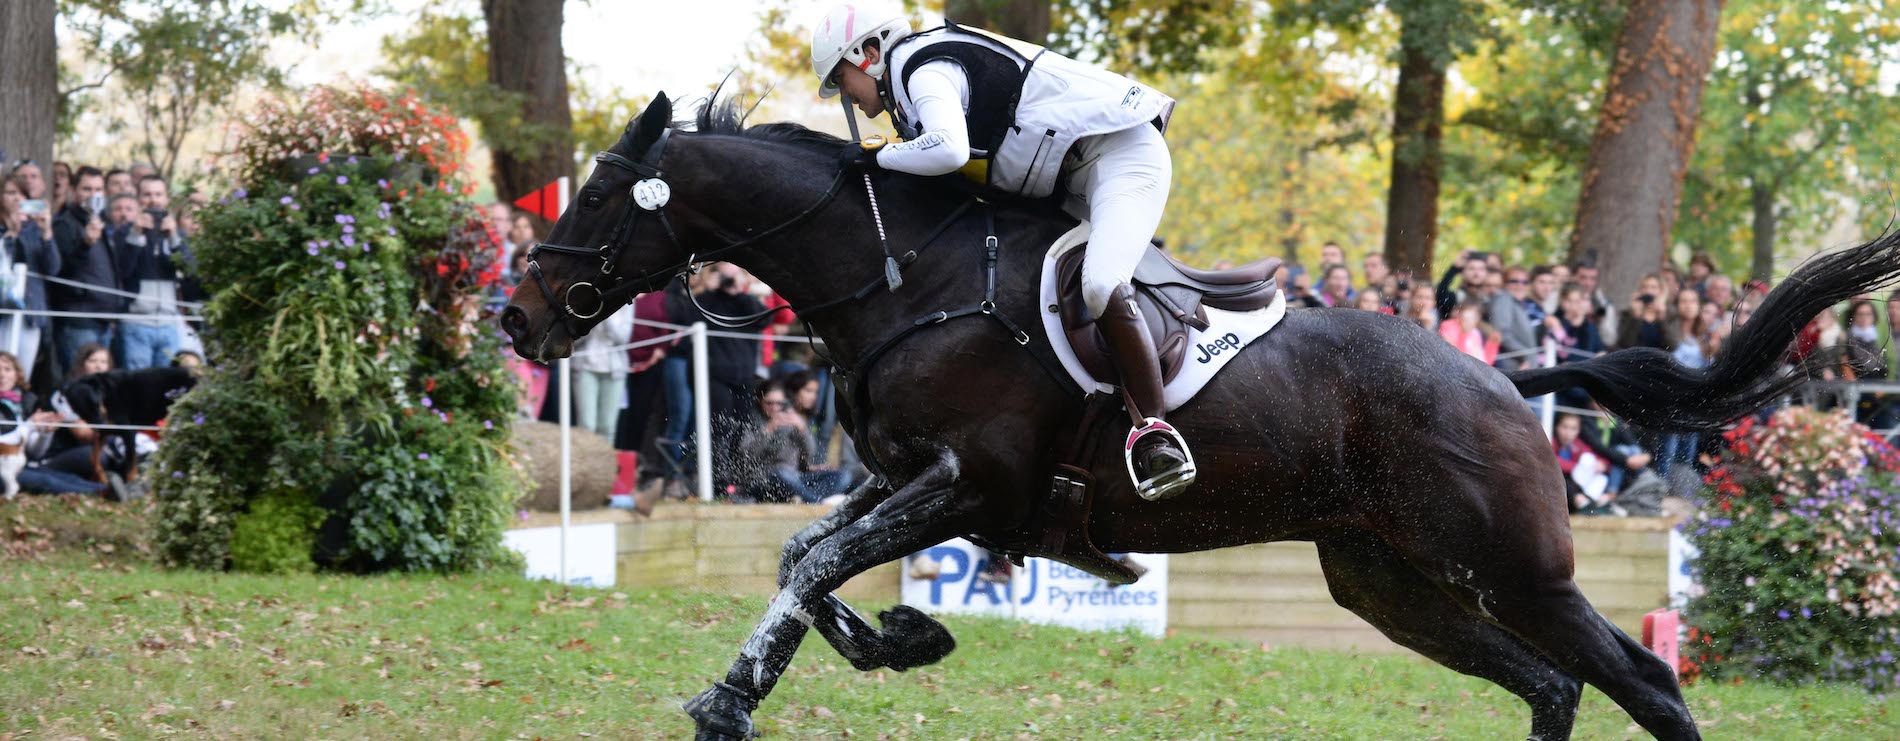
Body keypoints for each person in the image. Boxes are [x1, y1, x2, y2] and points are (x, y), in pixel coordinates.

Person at [811, 4, 1192, 500]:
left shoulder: (921, 68)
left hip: (1120, 158)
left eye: (841, 79)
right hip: (1070, 183)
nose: (847, 96)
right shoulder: (907, 94)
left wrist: (876, 155)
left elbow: (948, 148)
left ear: (868, 54)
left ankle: (1156, 434)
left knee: (1100, 283)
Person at [0, 351, 109, 497]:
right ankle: (103, 493)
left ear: (17, 374)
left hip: (20, 462)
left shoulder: (23, 402)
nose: (2, 375)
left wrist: (46, 433)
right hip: (4, 466)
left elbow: (34, 452)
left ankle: (108, 489)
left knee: (61, 477)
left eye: (7, 369)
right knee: (47, 480)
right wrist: (29, 425)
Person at [51, 166, 122, 370]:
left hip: (105, 318)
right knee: (80, 380)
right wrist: (85, 243)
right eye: (87, 189)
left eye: (98, 190)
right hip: (78, 319)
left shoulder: (105, 223)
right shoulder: (64, 224)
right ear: (74, 191)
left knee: (100, 383)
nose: (93, 195)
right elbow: (59, 269)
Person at [115, 175, 189, 370]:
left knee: (165, 386)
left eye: (158, 194)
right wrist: (137, 234)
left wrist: (173, 237)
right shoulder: (125, 232)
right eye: (147, 194)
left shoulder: (178, 234)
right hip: (136, 322)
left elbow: (189, 270)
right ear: (138, 198)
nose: (153, 200)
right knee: (138, 384)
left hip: (168, 323)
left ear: (167, 199)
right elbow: (122, 270)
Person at [0, 176, 62, 383]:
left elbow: (52, 268)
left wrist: (46, 233)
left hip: (29, 313)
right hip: (2, 310)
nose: (16, 199)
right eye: (10, 193)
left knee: (20, 373)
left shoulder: (35, 230)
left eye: (22, 195)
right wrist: (12, 236)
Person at [571, 302, 634, 439]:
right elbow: (575, 339)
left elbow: (623, 338)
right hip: (585, 367)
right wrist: (591, 321)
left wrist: (606, 316)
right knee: (586, 425)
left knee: (607, 426)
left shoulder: (627, 304)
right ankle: (585, 460)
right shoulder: (589, 301)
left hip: (614, 370)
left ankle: (604, 460)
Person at [1489, 267, 1537, 370]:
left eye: (1525, 282)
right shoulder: (1503, 299)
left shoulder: (1516, 303)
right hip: (1512, 368)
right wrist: (1525, 356)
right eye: (1514, 281)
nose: (1520, 285)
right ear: (1504, 283)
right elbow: (1502, 334)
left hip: (1522, 365)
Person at [1439, 299, 1499, 365]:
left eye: (1474, 317)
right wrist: (1463, 333)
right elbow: (1452, 354)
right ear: (1459, 314)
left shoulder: (1475, 333)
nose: (1470, 321)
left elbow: (1484, 363)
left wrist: (1492, 344)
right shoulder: (1448, 326)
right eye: (1467, 318)